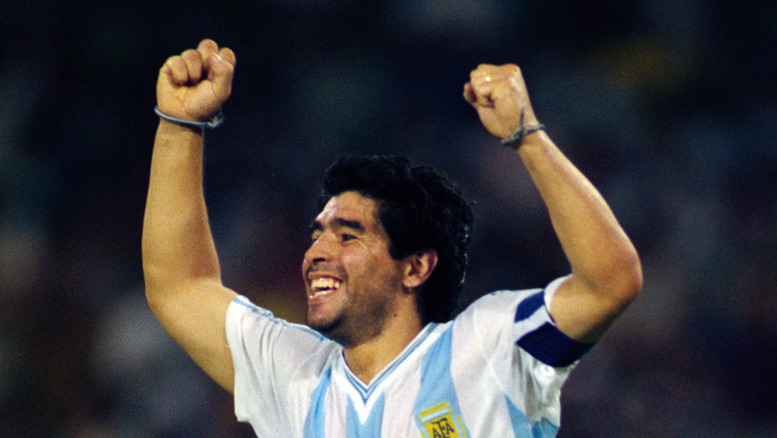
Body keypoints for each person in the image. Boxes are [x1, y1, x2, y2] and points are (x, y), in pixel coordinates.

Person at [143, 39, 642, 437]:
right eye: (318, 234)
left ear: (416, 267)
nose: (317, 252)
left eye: (347, 235)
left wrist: (526, 137)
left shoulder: (486, 347)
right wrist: (180, 124)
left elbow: (610, 283)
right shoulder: (292, 375)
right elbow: (180, 286)